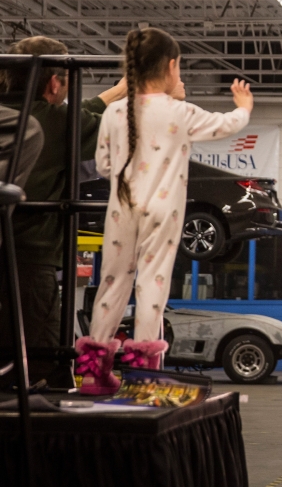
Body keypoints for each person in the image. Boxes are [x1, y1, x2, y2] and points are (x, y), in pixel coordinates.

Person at [75, 28, 253, 395]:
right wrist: (244, 106)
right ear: (172, 66)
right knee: (151, 285)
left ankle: (94, 374)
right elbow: (226, 125)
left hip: (121, 209)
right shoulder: (179, 112)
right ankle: (144, 378)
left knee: (111, 284)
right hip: (163, 211)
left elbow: (104, 165)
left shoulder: (113, 112)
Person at [0, 36, 127, 385]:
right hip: (29, 260)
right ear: (55, 83)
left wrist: (116, 92)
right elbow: (81, 122)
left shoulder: (13, 114)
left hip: (13, 253)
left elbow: (75, 115)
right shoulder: (49, 122)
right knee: (39, 366)